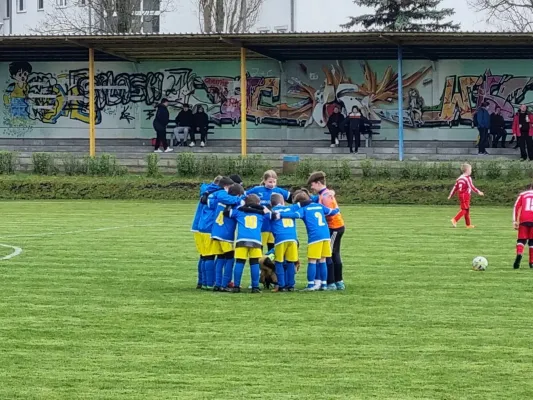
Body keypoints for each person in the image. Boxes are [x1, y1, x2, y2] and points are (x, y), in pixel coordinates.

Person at [278, 190, 339, 291]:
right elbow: (332, 212)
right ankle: (323, 284)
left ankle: (311, 285)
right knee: (323, 260)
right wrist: (336, 207)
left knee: (312, 261)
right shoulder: (319, 206)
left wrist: (280, 215)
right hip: (326, 235)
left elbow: (294, 215)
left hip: (315, 237)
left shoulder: (304, 209)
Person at [198, 177, 242, 289]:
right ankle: (224, 284)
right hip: (226, 235)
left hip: (215, 233)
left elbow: (209, 200)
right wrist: (241, 200)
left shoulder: (218, 201)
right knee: (230, 258)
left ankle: (216, 284)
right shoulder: (231, 202)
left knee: (220, 258)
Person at [225, 194, 272, 293]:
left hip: (241, 240)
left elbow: (227, 212)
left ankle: (236, 286)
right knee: (254, 263)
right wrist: (260, 207)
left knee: (239, 262)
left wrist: (234, 202)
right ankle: (255, 287)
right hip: (256, 241)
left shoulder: (239, 211)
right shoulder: (261, 213)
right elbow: (270, 214)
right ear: (258, 203)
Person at [308, 171, 346, 291]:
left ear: (318, 183)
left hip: (335, 227)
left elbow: (330, 212)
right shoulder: (323, 194)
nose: (312, 187)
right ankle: (336, 281)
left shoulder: (325, 196)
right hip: (333, 227)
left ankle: (333, 282)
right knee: (332, 253)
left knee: (330, 254)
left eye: (312, 184)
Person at [246, 170, 292, 252]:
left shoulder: (279, 191)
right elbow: (244, 196)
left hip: (274, 224)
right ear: (264, 181)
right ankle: (259, 262)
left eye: (274, 182)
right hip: (261, 223)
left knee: (272, 246)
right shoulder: (257, 190)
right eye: (270, 182)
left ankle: (269, 263)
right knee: (259, 246)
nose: (272, 184)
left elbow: (293, 198)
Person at [192, 176, 222, 289]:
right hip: (207, 227)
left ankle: (201, 281)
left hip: (197, 226)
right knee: (209, 256)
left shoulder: (206, 190)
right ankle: (208, 283)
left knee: (203, 256)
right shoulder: (216, 195)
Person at [270, 193, 299, 292]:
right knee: (291, 262)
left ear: (272, 203)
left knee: (279, 262)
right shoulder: (291, 209)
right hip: (293, 239)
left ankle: (281, 285)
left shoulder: (272, 211)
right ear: (283, 202)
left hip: (280, 238)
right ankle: (291, 285)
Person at [448, 163, 484, 229]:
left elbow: (455, 187)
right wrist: (478, 192)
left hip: (461, 195)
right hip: (466, 195)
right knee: (465, 210)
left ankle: (468, 225)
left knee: (467, 210)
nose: (471, 171)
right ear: (467, 170)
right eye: (470, 169)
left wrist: (451, 195)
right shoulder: (468, 178)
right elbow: (471, 187)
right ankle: (455, 219)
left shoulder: (459, 178)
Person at [512, 184, 533, 269]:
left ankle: (519, 253)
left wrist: (515, 221)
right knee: (532, 242)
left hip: (524, 219)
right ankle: (532, 262)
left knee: (521, 239)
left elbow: (516, 206)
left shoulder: (523, 194)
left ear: (530, 187)